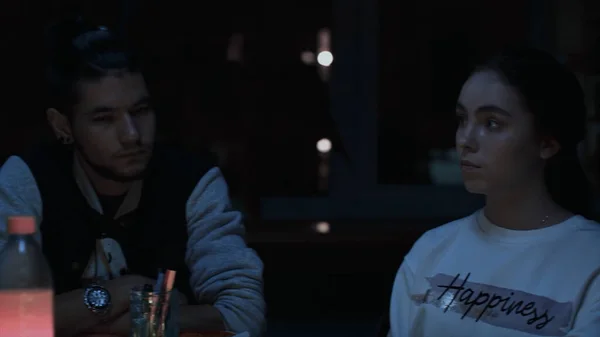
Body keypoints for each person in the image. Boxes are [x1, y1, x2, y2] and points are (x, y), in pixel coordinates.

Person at [0, 17, 265, 337]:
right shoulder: (28, 178)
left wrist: (128, 318)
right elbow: (8, 320)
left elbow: (245, 314)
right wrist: (121, 293)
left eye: (140, 112)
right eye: (104, 118)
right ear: (63, 126)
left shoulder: (193, 181)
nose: (131, 135)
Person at [387, 48, 599, 337]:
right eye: (462, 120)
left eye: (491, 123)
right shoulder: (431, 250)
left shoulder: (590, 260)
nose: (466, 140)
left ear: (547, 143)